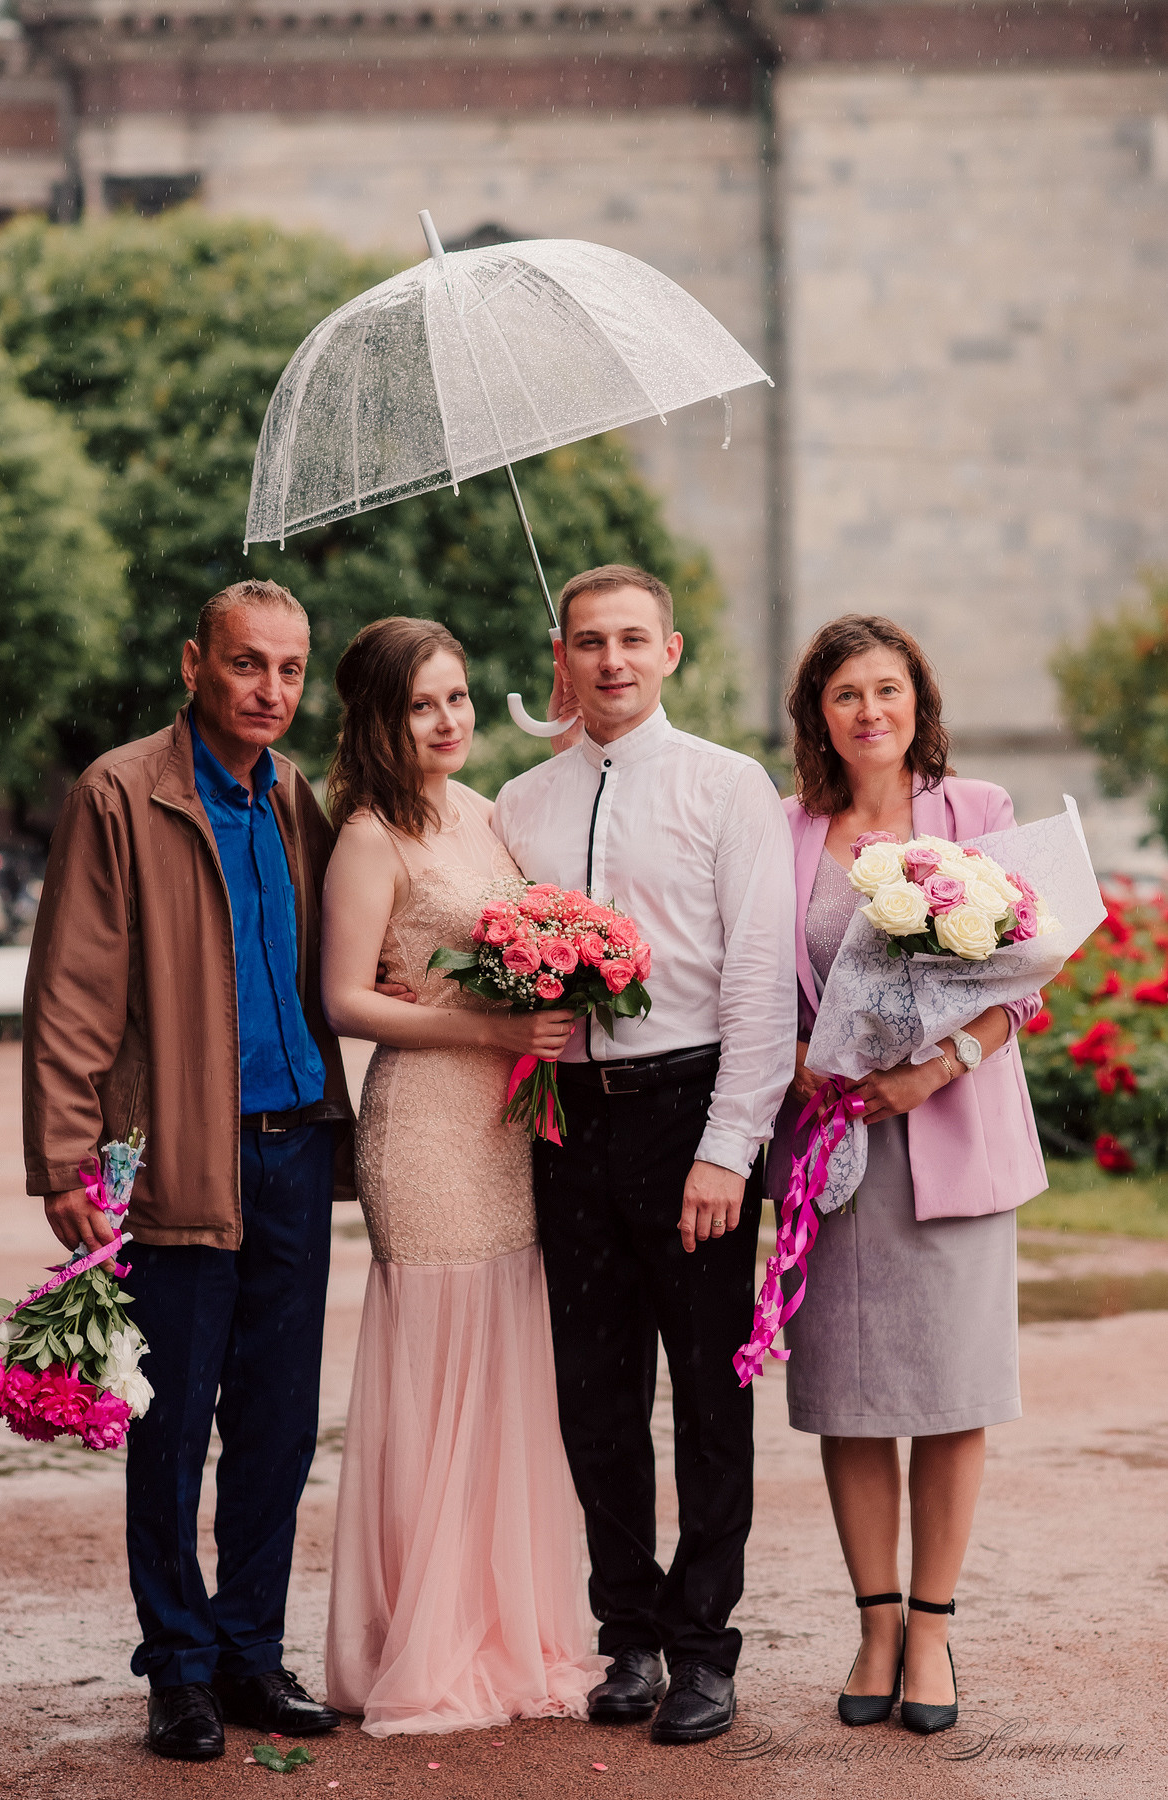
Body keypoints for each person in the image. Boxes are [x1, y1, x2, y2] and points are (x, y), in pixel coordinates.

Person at [23, 580, 353, 1762]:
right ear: (192, 665)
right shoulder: (123, 792)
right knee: (171, 1429)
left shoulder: (295, 796)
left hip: (297, 1149)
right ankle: (178, 1667)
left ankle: (252, 1655)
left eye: (289, 669)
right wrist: (68, 1154)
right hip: (177, 1160)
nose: (270, 690)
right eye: (246, 665)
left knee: (277, 1423)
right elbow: (70, 988)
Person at [491, 565, 796, 1746]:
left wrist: (728, 1151)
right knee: (594, 1391)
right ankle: (623, 1636)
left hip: (689, 1111)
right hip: (567, 1117)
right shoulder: (518, 803)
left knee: (708, 1394)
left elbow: (762, 986)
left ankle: (703, 1648)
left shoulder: (728, 787)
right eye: (586, 641)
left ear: (670, 649)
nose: (609, 660)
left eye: (630, 639)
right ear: (558, 658)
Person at [320, 616, 601, 1737]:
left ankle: (508, 1626)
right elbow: (346, 999)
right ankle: (424, 1640)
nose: (447, 720)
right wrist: (488, 1032)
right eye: (421, 705)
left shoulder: (490, 814)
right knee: (441, 1361)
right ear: (381, 720)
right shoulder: (367, 837)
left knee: (508, 1364)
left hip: (508, 1125)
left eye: (458, 698)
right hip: (428, 1125)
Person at [772, 614, 1046, 1736]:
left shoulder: (973, 814)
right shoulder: (787, 831)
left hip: (953, 1134)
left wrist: (936, 1066)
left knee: (946, 1392)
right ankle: (873, 1623)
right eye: (845, 694)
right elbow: (759, 977)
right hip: (831, 1146)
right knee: (849, 1395)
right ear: (818, 717)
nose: (868, 711)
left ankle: (929, 1629)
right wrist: (799, 1067)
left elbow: (1027, 978)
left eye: (886, 690)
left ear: (914, 703)